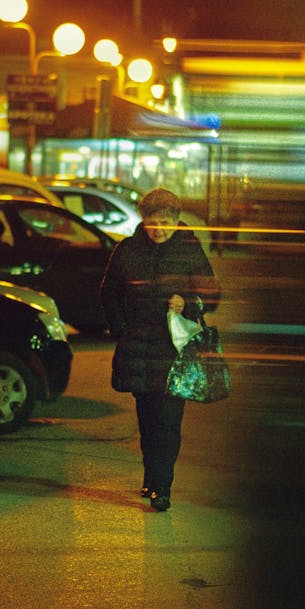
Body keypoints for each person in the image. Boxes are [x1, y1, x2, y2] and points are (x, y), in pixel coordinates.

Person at [100, 188, 220, 511]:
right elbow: (108, 293)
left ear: (176, 221)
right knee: (148, 421)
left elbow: (212, 295)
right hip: (138, 349)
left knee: (168, 423)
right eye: (153, 222)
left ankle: (162, 487)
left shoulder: (189, 249)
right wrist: (121, 329)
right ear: (143, 220)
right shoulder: (127, 251)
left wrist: (189, 303)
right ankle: (151, 476)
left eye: (166, 222)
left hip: (174, 353)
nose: (159, 229)